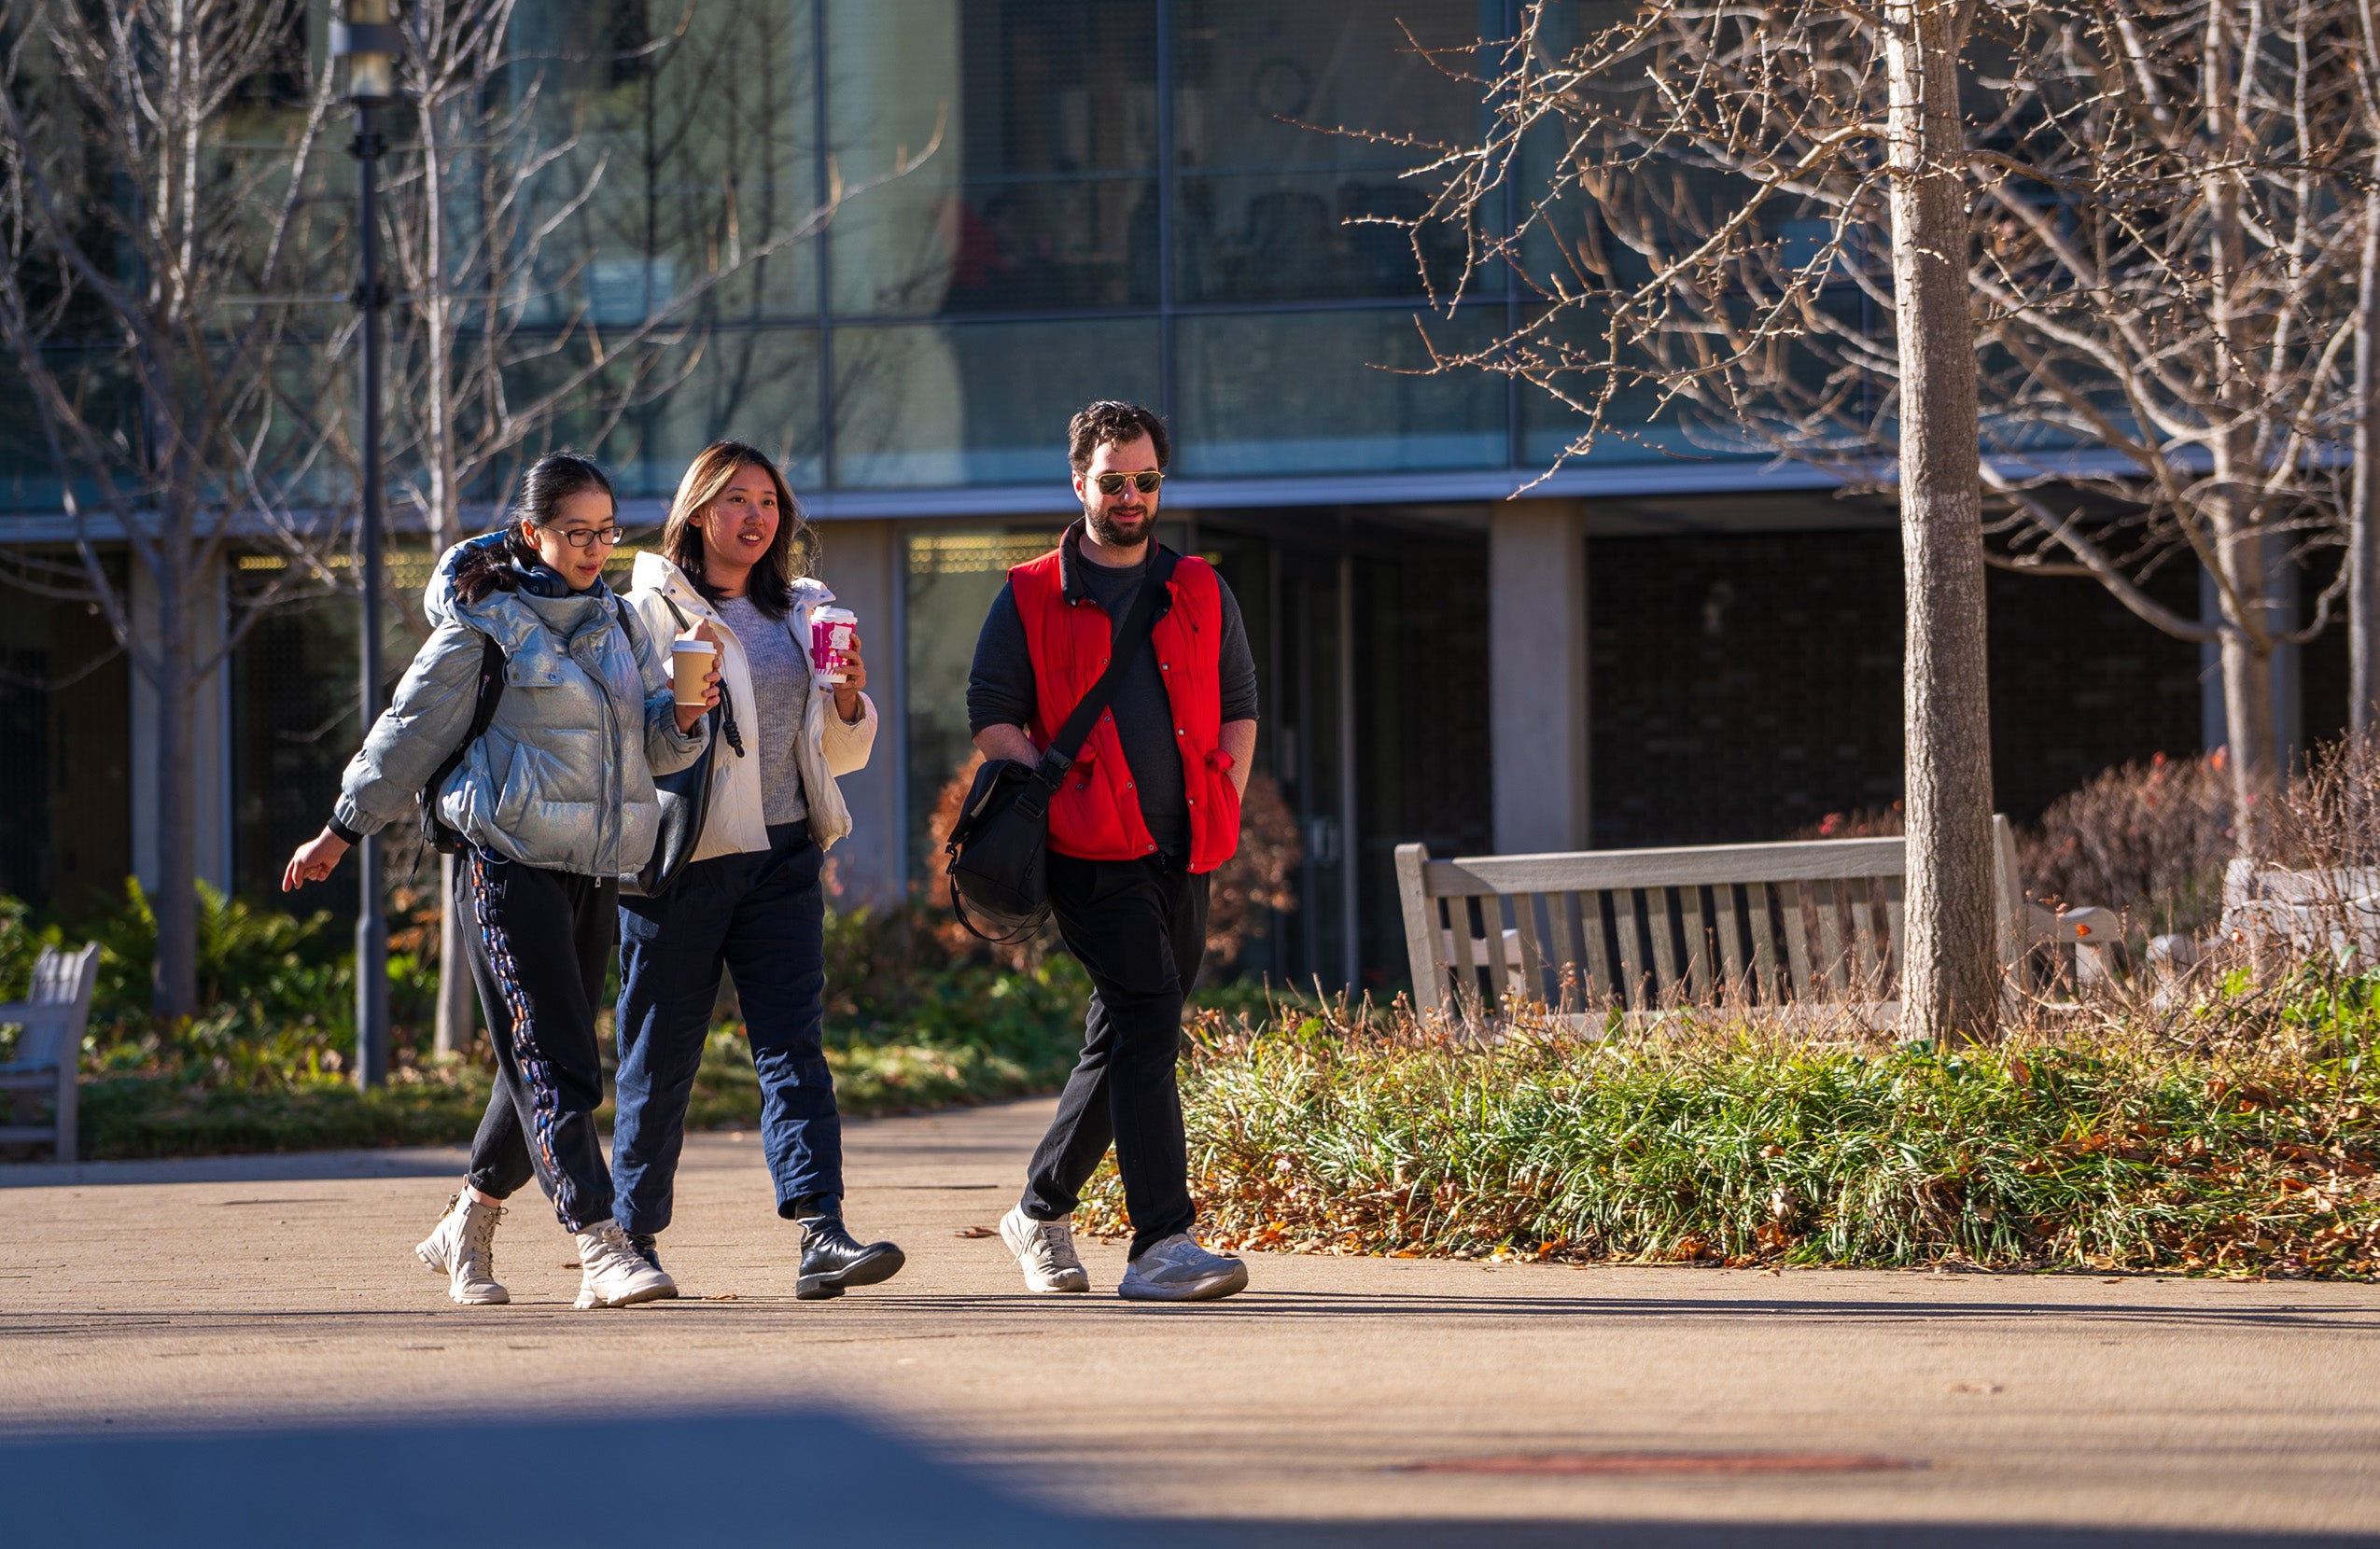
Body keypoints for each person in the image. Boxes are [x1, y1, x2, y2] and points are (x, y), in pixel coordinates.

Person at [283, 453, 716, 1311]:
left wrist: (689, 717)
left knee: (542, 1062)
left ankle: (467, 1224)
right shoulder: (483, 623)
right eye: (574, 532)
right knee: (556, 1058)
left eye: (606, 530)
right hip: (504, 858)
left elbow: (650, 750)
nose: (595, 548)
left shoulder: (621, 624)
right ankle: (601, 1241)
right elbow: (405, 732)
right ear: (531, 533)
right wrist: (342, 829)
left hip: (593, 864)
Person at [967, 400, 1260, 1302]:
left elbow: (1240, 705)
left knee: (1132, 1027)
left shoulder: (1199, 587)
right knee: (1145, 1013)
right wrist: (1062, 782)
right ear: (1078, 483)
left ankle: (1040, 1207)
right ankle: (1161, 1243)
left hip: (1184, 848)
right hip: (1089, 851)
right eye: (1112, 481)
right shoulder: (1027, 593)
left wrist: (1222, 796)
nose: (1130, 496)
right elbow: (992, 720)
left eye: (1145, 480)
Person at [609, 440, 904, 1301]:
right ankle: (629, 1238)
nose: (756, 516)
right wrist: (681, 708)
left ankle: (821, 1230)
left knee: (792, 1046)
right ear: (699, 511)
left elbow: (835, 754)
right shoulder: (646, 611)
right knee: (660, 1053)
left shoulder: (802, 609)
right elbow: (631, 738)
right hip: (685, 860)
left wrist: (849, 697)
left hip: (783, 855)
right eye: (736, 499)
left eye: (769, 502)